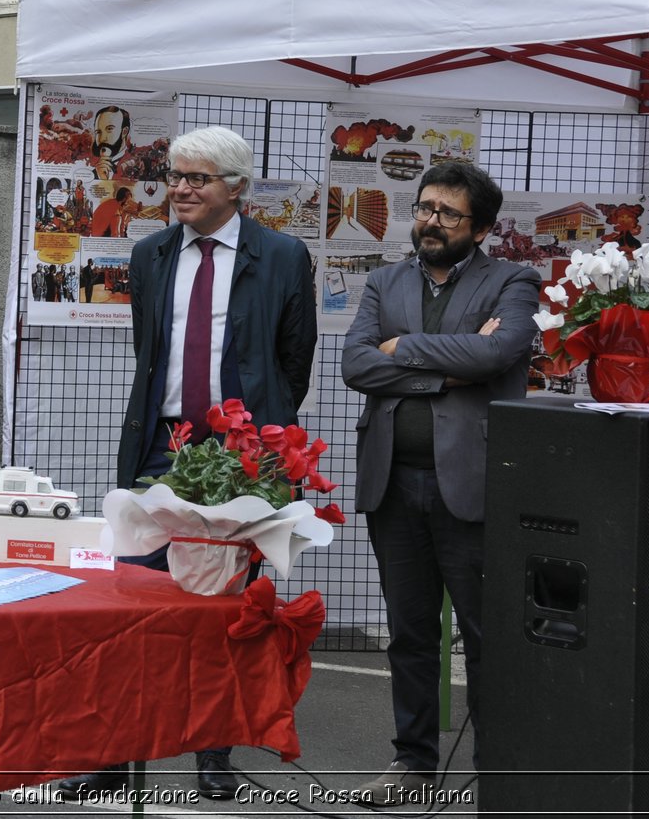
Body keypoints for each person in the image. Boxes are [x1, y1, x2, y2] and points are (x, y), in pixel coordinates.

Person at [60, 125, 317, 801]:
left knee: (224, 611)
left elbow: (294, 363)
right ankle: (116, 755)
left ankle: (213, 753)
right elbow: (152, 350)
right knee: (130, 603)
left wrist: (258, 441)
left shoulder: (284, 256)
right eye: (174, 175)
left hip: (239, 454)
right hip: (160, 446)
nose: (178, 188)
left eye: (196, 178)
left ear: (236, 187)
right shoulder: (150, 255)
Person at [340, 161, 539, 804]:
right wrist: (445, 367)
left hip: (472, 485)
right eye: (425, 207)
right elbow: (357, 365)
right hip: (394, 486)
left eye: (448, 213)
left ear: (479, 226)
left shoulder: (513, 278)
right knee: (411, 634)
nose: (429, 221)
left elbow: (498, 354)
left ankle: (497, 771)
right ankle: (413, 767)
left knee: (486, 637)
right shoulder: (386, 280)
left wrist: (404, 349)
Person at [92, 105, 131, 180]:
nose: (102, 139)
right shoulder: (93, 174)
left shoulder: (137, 164)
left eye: (109, 129)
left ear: (124, 132)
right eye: (98, 132)